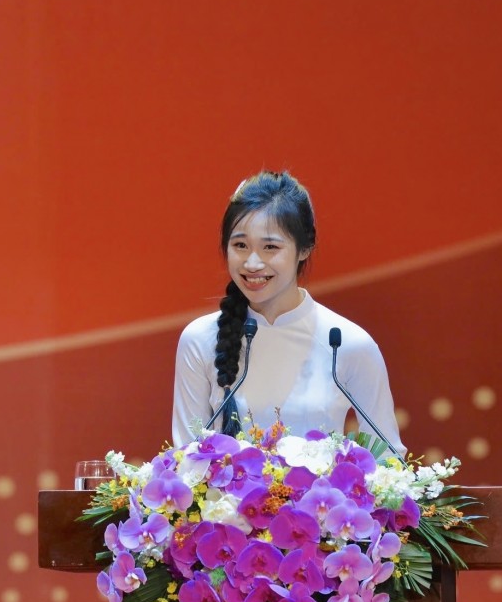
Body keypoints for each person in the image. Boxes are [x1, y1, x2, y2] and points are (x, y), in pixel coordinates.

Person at [171, 170, 405, 454]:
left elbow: (388, 460)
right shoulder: (200, 339)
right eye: (240, 245)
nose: (253, 263)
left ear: (304, 249)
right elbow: (184, 463)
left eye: (270, 247)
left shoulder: (345, 342)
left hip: (323, 500)